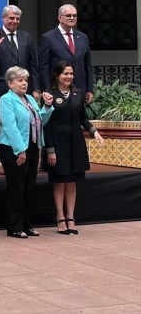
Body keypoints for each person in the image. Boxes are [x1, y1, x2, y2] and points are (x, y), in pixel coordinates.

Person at [43, 61, 104, 235]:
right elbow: (46, 123)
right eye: (65, 74)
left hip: (75, 142)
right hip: (57, 142)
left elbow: (82, 118)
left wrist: (94, 131)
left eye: (71, 73)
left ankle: (71, 217)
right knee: (59, 181)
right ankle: (60, 216)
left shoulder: (78, 93)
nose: (69, 77)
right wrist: (50, 149)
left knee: (72, 182)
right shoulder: (49, 94)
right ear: (57, 75)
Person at [0, 67, 54, 238]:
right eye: (20, 80)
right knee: (16, 187)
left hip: (32, 147)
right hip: (12, 148)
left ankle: (26, 224)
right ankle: (14, 226)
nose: (24, 83)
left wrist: (47, 106)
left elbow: (39, 121)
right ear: (10, 83)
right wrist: (20, 150)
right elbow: (10, 126)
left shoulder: (29, 98)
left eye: (26, 80)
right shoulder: (6, 99)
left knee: (29, 187)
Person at [0, 5, 40, 176]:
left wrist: (36, 89)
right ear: (3, 18)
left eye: (17, 19)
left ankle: (28, 156)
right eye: (11, 18)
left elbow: (33, 65)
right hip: (2, 91)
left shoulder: (26, 37)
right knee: (3, 126)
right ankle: (1, 162)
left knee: (27, 125)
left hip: (25, 93)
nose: (14, 21)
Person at [38, 4, 94, 105]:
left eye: (74, 15)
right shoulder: (48, 38)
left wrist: (89, 89)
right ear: (60, 18)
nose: (72, 18)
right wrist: (47, 90)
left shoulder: (82, 37)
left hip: (79, 89)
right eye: (68, 15)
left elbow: (87, 65)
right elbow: (43, 67)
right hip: (56, 90)